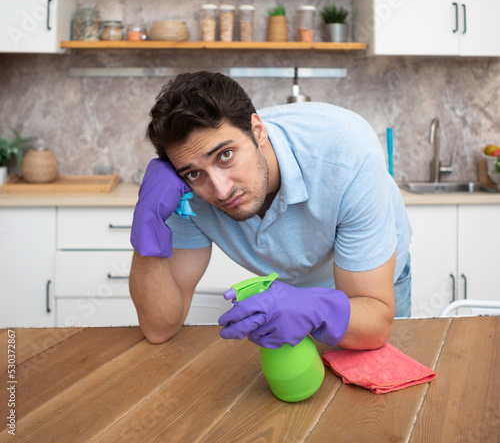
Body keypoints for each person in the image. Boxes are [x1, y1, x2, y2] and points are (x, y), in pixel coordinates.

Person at [129, 71, 412, 350]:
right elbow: (159, 328)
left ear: (257, 130)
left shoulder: (347, 156)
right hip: (289, 297)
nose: (220, 190)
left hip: (367, 293)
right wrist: (148, 222)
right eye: (193, 173)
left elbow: (375, 321)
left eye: (225, 156)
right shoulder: (187, 190)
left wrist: (313, 309)